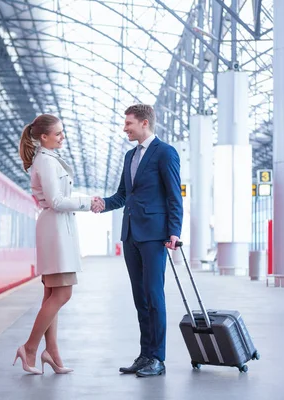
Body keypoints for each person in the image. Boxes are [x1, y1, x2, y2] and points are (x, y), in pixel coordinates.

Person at [14, 114, 104, 375]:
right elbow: (56, 200)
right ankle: (30, 348)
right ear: (44, 137)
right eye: (59, 133)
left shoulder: (46, 160)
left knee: (52, 295)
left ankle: (51, 353)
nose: (62, 137)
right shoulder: (46, 162)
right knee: (63, 294)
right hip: (55, 231)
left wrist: (86, 202)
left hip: (55, 228)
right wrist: (88, 202)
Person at [98, 104, 183, 377]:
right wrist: (102, 204)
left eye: (128, 123)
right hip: (131, 234)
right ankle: (145, 355)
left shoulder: (165, 153)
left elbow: (174, 195)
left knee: (154, 296)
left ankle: (157, 358)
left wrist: (174, 231)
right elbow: (123, 194)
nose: (125, 128)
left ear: (144, 123)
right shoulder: (129, 156)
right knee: (140, 298)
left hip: (155, 235)